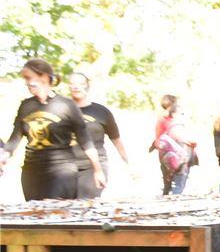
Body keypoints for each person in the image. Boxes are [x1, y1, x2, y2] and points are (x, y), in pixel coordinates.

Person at [0, 59, 104, 200]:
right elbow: (15, 138)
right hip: (32, 172)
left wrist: (97, 170)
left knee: (54, 210)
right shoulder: (25, 106)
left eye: (29, 78)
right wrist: (4, 156)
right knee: (35, 212)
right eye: (25, 78)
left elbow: (85, 141)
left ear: (44, 77)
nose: (26, 82)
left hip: (62, 171)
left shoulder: (67, 105)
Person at [66, 73, 129, 199]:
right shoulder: (62, 109)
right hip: (65, 166)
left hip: (93, 166)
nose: (76, 87)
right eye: (73, 84)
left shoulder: (101, 112)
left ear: (87, 86)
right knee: (62, 206)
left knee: (85, 204)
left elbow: (116, 139)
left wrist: (128, 163)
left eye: (81, 84)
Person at [150, 95, 199, 196]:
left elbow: (158, 138)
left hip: (164, 154)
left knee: (167, 184)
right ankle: (174, 202)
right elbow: (182, 136)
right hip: (178, 154)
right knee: (178, 183)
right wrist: (192, 142)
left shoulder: (160, 119)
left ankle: (166, 201)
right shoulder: (172, 121)